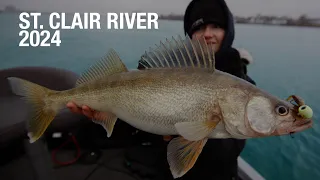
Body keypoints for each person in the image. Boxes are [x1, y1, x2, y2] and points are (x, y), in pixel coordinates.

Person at [66, 0, 256, 179]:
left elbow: (227, 152)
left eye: (216, 26)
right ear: (190, 35)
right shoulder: (165, 71)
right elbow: (141, 124)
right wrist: (107, 117)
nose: (207, 33)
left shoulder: (244, 87)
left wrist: (188, 132)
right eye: (199, 27)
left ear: (229, 31)